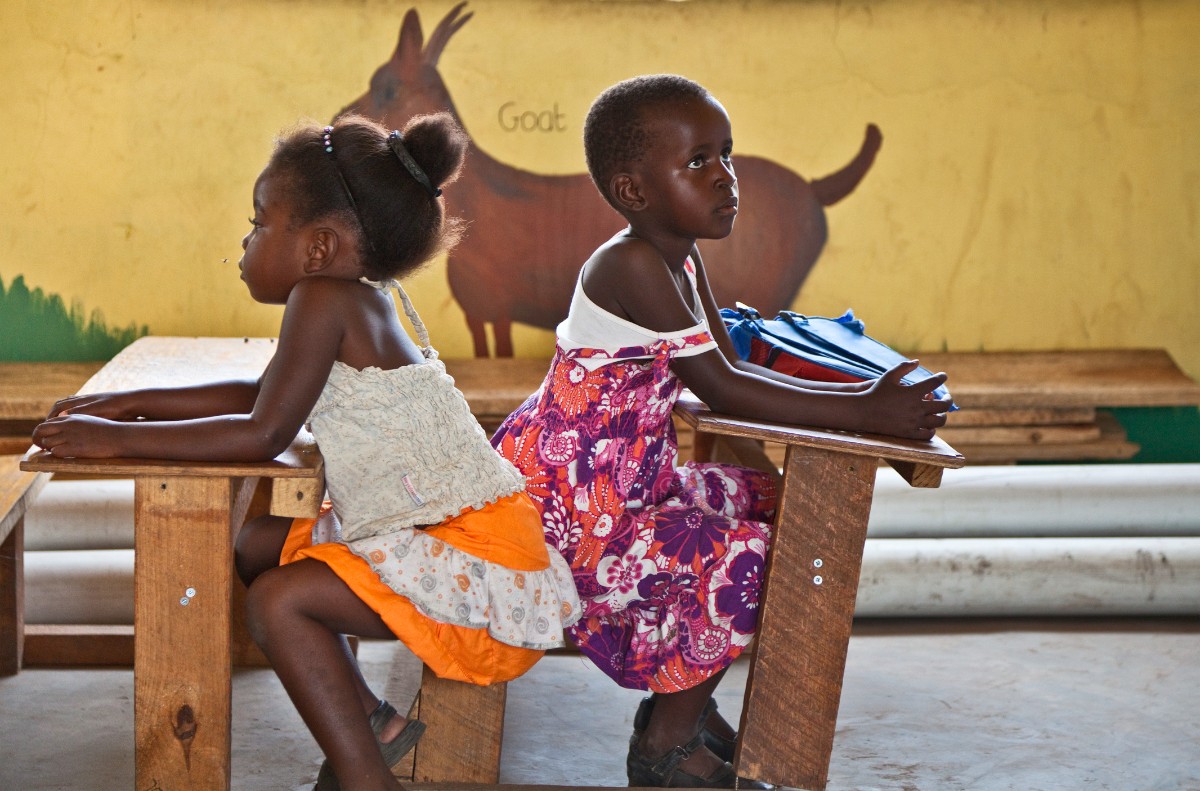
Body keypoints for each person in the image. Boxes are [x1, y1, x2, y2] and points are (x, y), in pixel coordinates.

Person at [32, 113, 580, 791]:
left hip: (472, 554)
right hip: (450, 533)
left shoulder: (325, 300)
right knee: (257, 544)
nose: (245, 238)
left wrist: (117, 440)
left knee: (278, 603)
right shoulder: (355, 299)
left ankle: (363, 775)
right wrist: (126, 403)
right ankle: (373, 721)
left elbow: (265, 431)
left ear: (318, 247)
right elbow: (259, 391)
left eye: (261, 221)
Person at [490, 74, 953, 789]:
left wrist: (859, 393)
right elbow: (726, 388)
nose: (726, 178)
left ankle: (682, 698)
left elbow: (731, 362)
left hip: (631, 479)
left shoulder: (677, 256)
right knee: (758, 556)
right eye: (698, 162)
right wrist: (868, 409)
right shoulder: (632, 264)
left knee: (790, 513)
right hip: (579, 507)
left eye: (727, 155)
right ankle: (666, 743)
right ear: (634, 191)